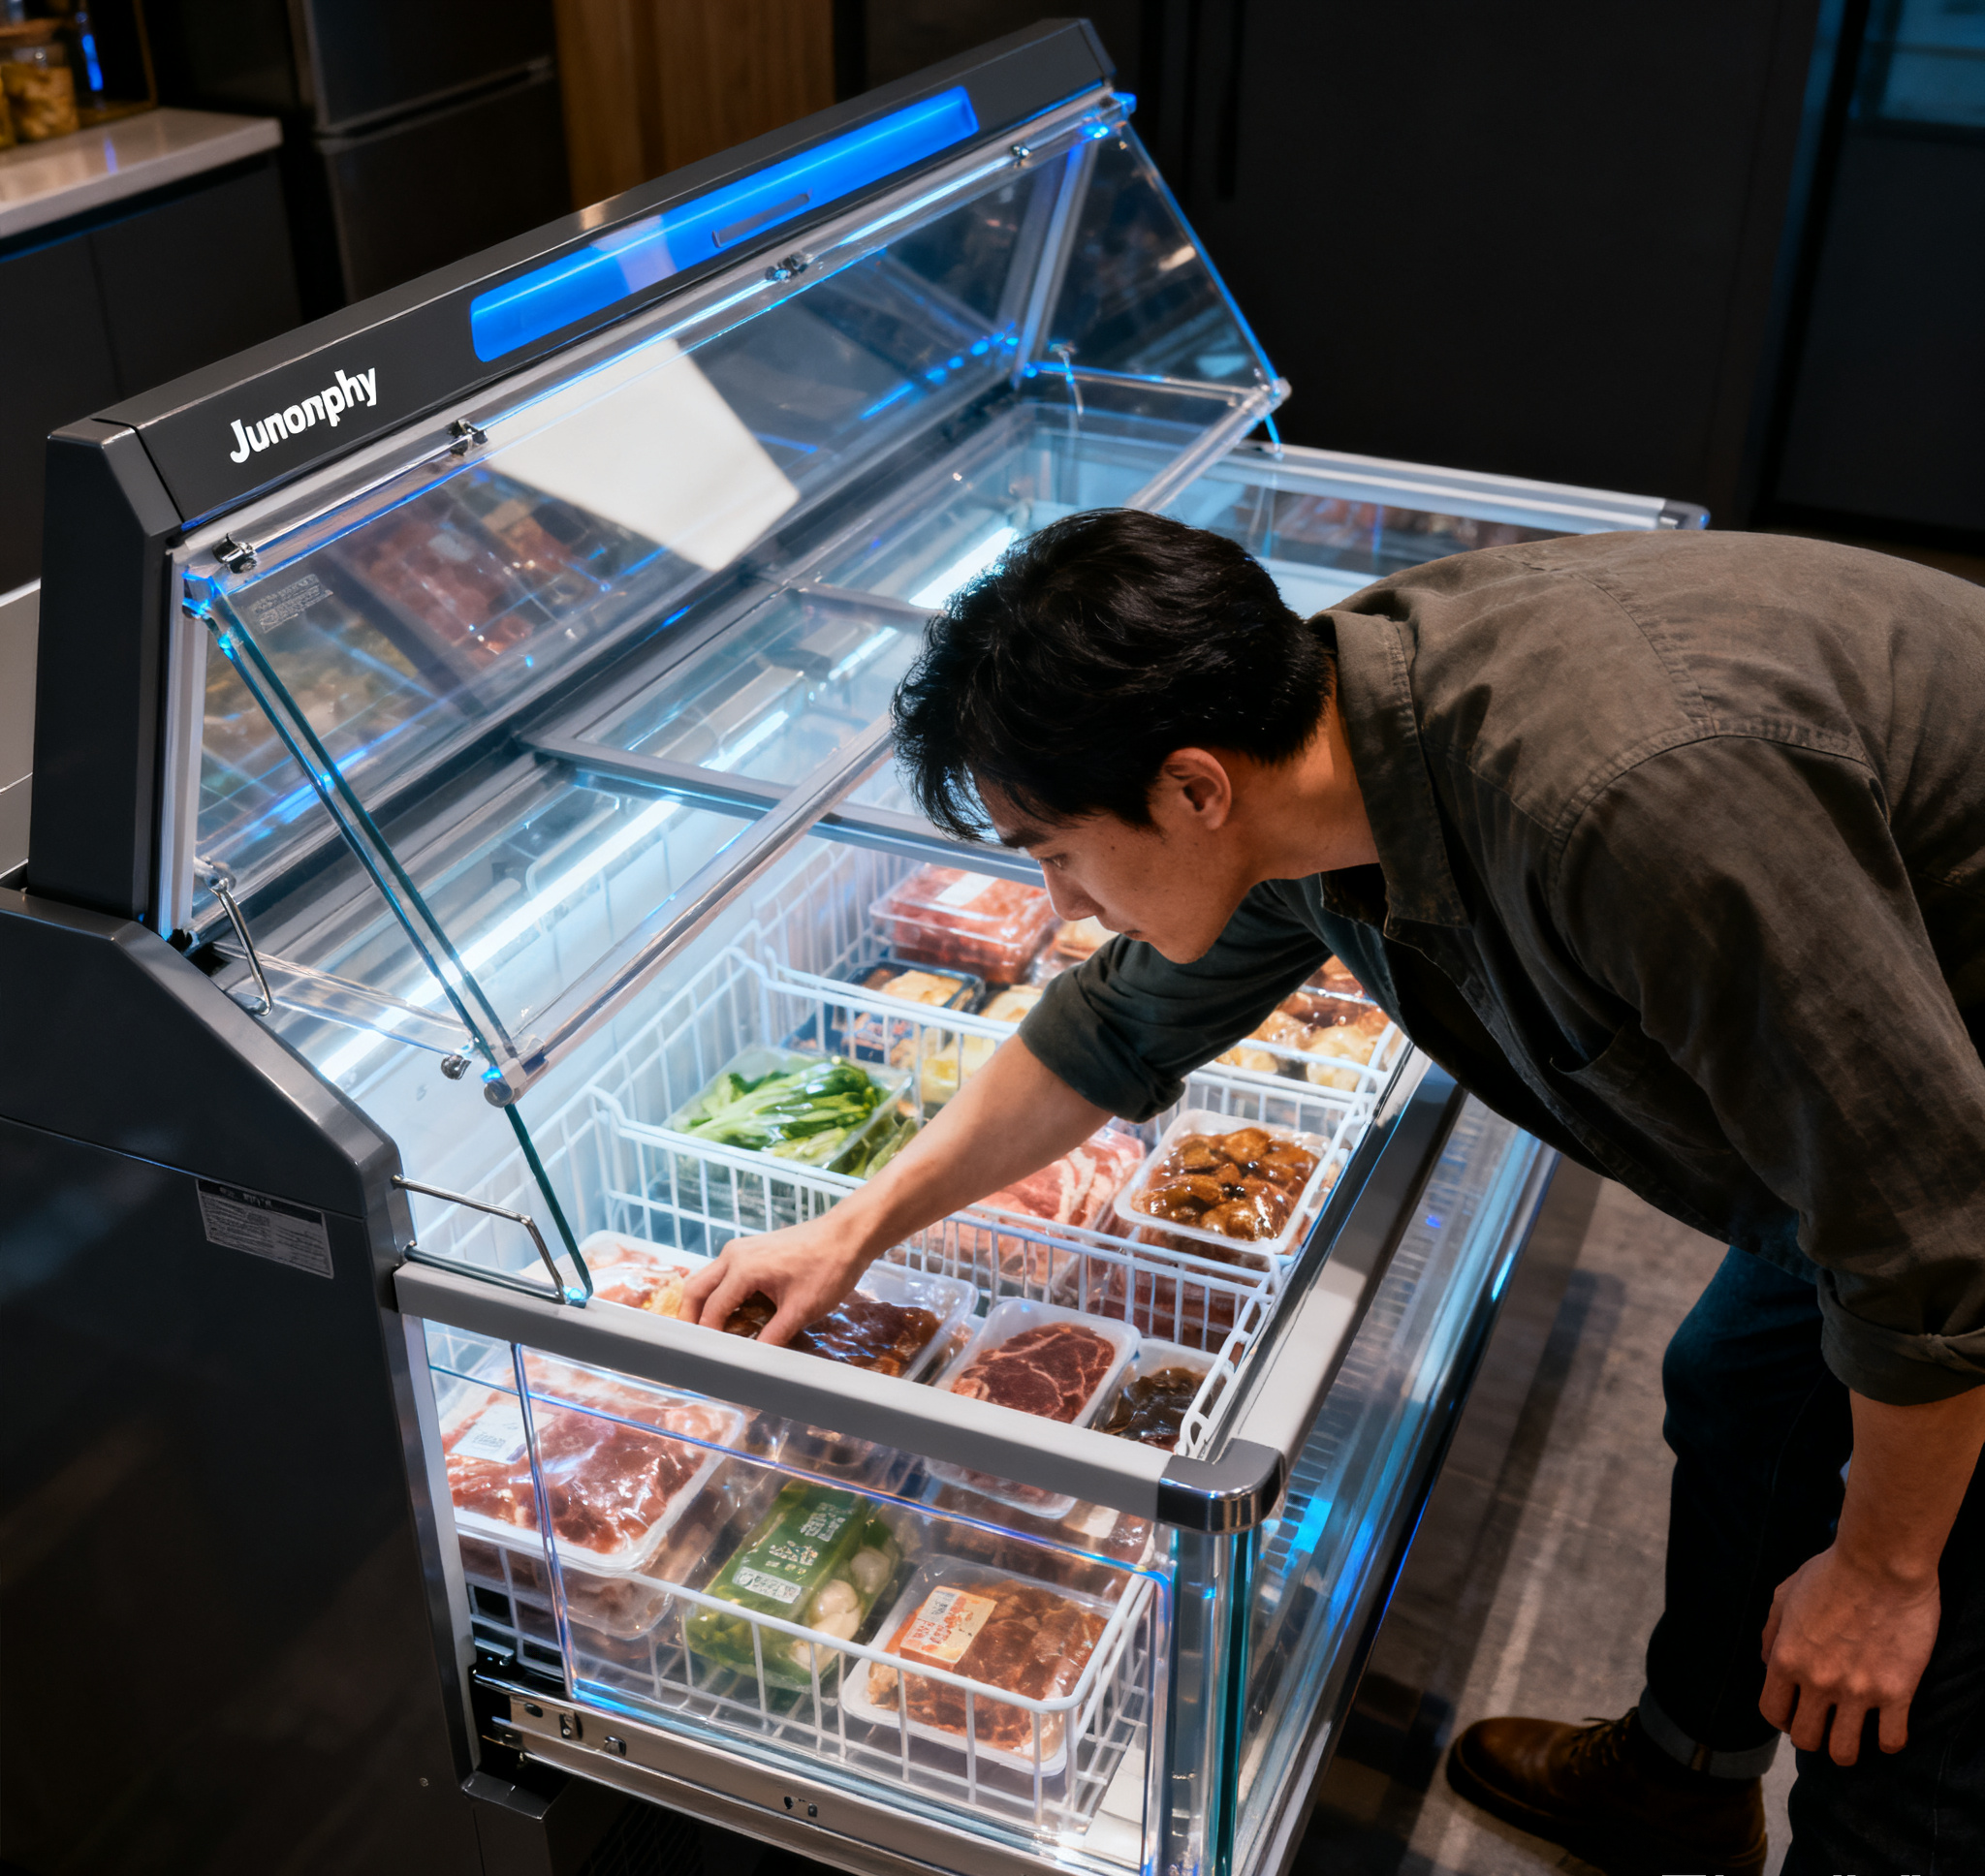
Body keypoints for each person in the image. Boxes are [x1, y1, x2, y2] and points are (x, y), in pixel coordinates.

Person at [677, 509, 1985, 1876]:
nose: (1059, 903)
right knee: (1741, 1381)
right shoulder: (1310, 757)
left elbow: (1937, 1248)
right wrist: (852, 1228)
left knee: (1908, 1732)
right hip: (1894, 1110)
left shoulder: (1618, 809)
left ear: (1190, 791)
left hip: (1955, 1158)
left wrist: (1884, 1575)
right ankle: (1687, 1776)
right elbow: (1111, 1030)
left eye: (1054, 849)